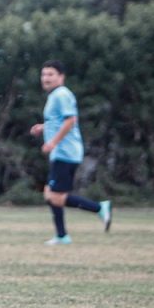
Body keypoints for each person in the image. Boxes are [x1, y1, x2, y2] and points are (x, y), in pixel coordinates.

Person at [30, 61, 112, 245]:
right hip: (61, 153)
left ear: (61, 77)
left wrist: (52, 142)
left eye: (50, 74)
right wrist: (43, 127)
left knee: (55, 196)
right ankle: (62, 235)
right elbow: (58, 121)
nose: (45, 78)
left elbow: (70, 121)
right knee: (50, 193)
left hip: (65, 152)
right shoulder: (54, 96)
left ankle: (99, 208)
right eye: (43, 74)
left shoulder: (62, 94)